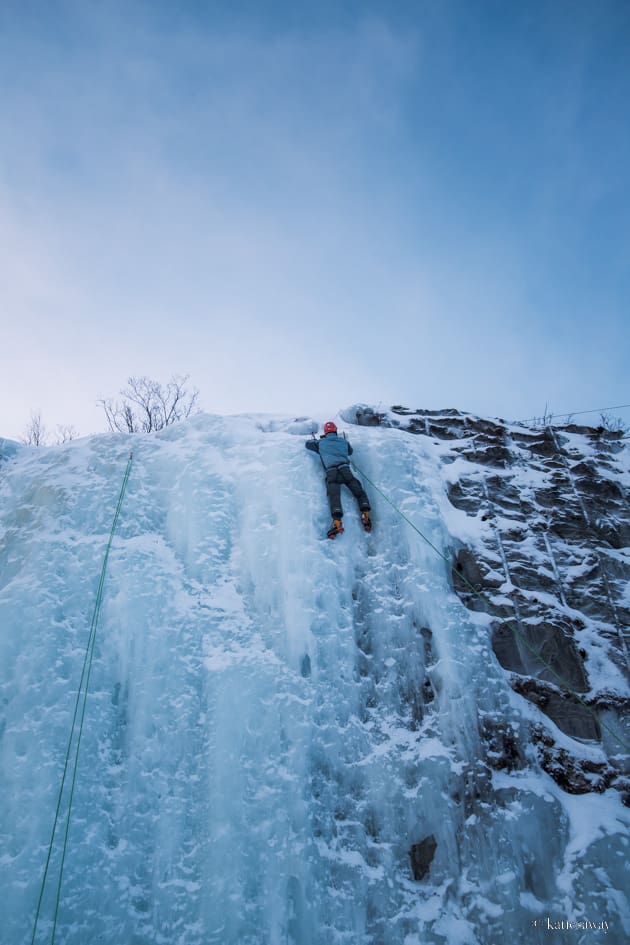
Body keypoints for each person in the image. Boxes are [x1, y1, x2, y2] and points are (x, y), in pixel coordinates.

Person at [306, 421, 371, 538]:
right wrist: (341, 442)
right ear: (335, 431)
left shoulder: (320, 443)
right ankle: (365, 514)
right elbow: (350, 451)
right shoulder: (343, 441)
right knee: (358, 491)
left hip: (332, 472)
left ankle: (337, 522)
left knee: (334, 496)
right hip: (345, 470)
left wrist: (318, 440)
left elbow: (308, 444)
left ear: (325, 432)